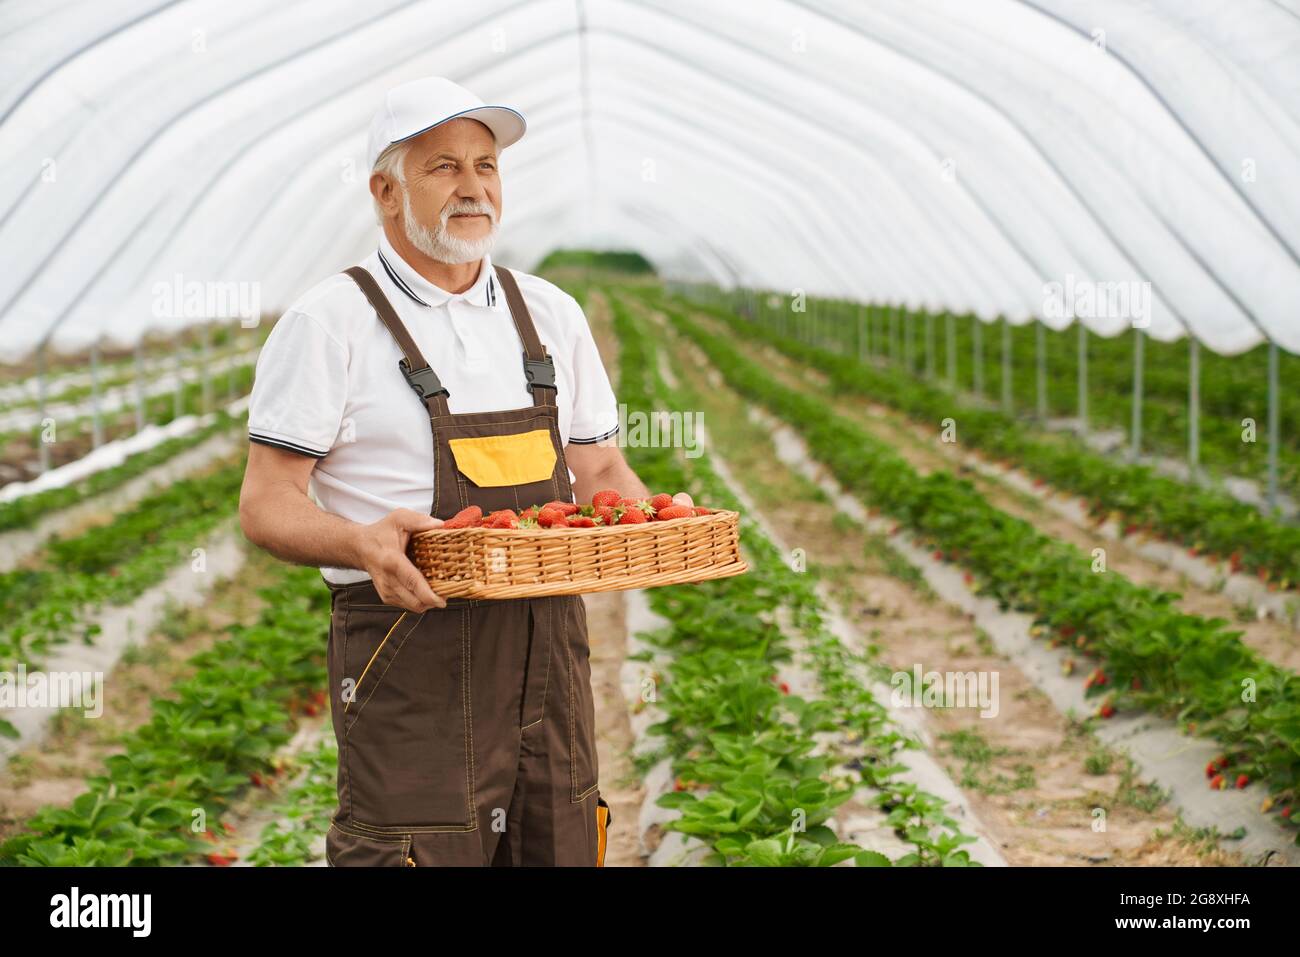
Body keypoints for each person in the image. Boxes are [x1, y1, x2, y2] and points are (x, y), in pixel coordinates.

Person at [238, 76, 692, 866]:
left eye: (487, 166)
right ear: (386, 190)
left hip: (549, 648)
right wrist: (361, 543)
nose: (474, 187)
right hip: (411, 652)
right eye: (444, 167)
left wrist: (654, 521)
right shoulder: (330, 322)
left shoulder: (548, 313)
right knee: (417, 848)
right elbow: (267, 502)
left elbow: (600, 464)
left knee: (559, 840)